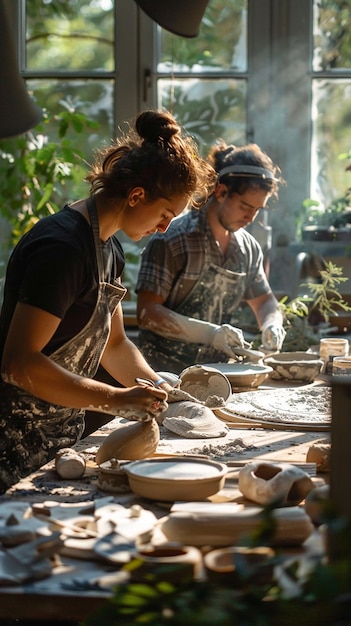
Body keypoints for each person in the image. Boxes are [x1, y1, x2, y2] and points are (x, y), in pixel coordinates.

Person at [0, 109, 217, 494]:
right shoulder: (63, 248)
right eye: (166, 214)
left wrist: (158, 387)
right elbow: (19, 362)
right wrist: (117, 399)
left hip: (60, 435)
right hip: (14, 440)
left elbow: (114, 345)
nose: (165, 228)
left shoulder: (108, 247)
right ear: (136, 195)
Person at [136, 141, 286, 374]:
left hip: (218, 374)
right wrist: (211, 334)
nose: (251, 217)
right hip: (162, 374)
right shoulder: (172, 239)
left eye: (258, 210)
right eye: (245, 206)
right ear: (221, 191)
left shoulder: (248, 249)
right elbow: (147, 313)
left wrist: (272, 324)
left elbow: (265, 302)